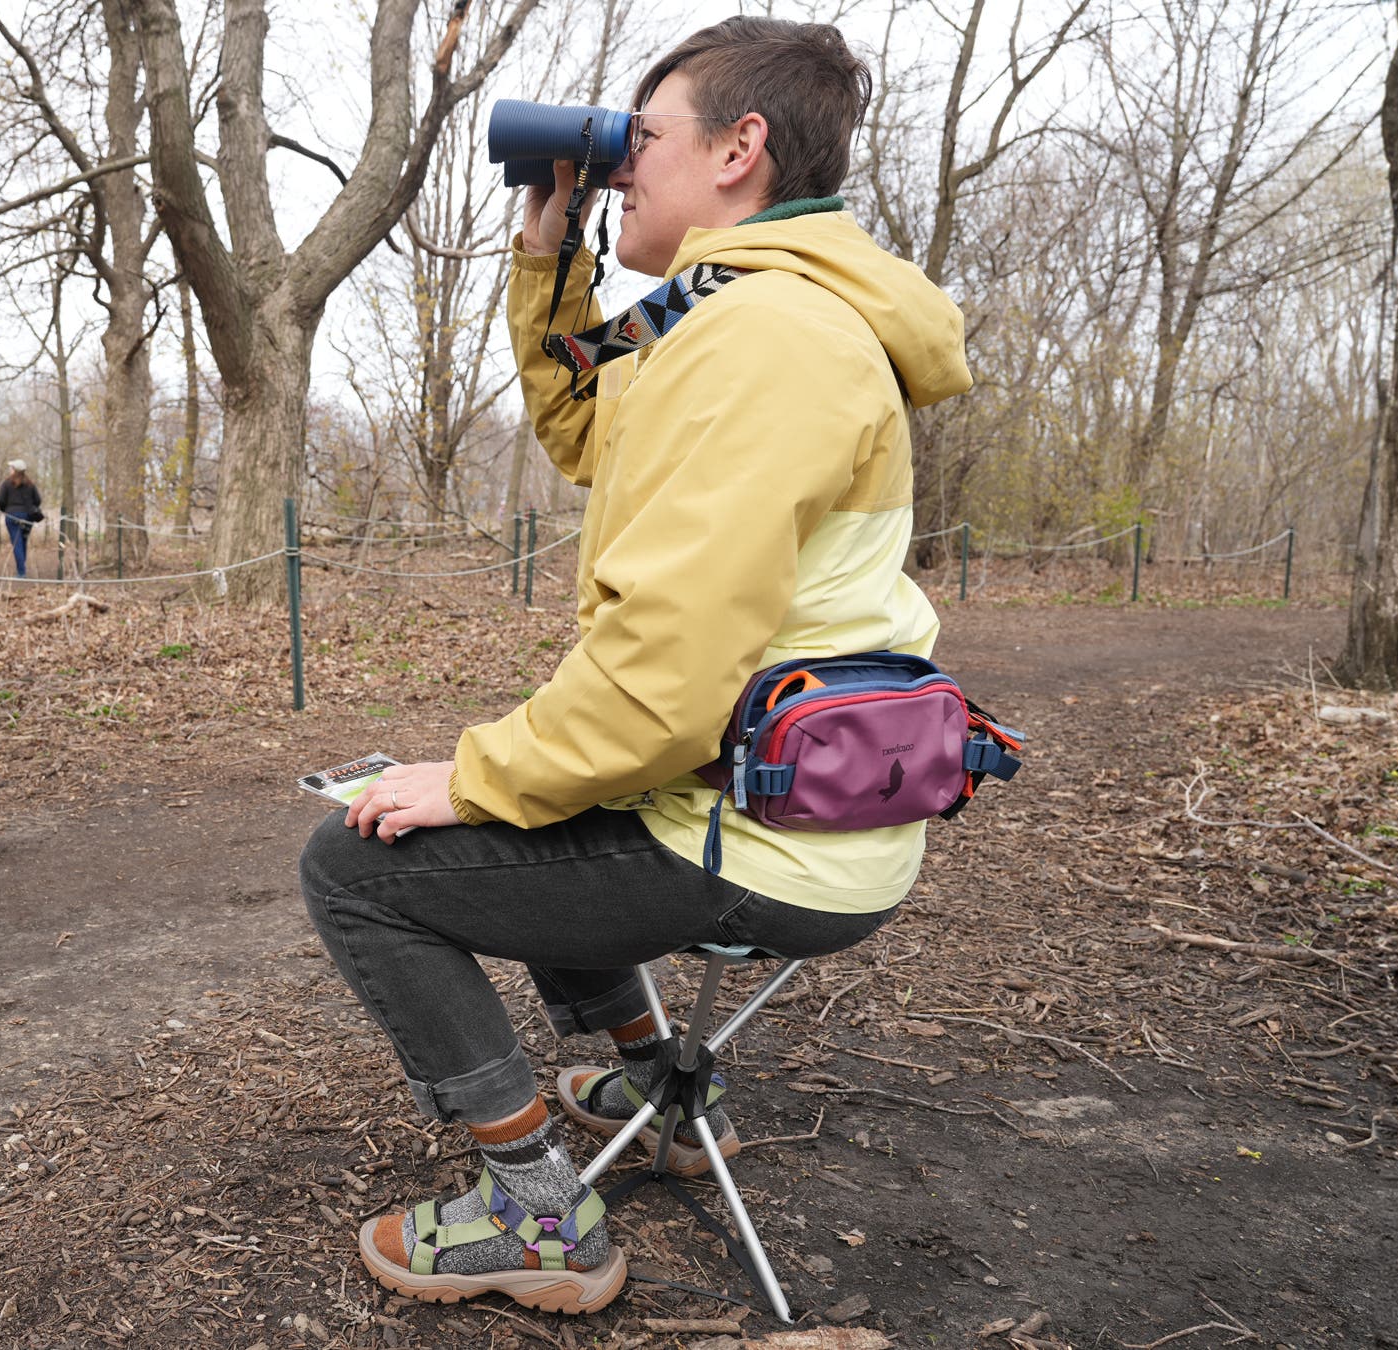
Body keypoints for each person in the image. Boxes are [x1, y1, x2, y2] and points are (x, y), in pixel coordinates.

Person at [299, 17, 972, 1315]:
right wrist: (548, 246)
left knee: (358, 867)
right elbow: (577, 411)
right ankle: (646, 1088)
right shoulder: (724, 307)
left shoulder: (765, 337)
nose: (618, 165)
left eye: (639, 139)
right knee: (564, 796)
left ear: (741, 148)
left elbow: (667, 674)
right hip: (800, 807)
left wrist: (480, 777)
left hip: (763, 837)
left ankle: (538, 1213)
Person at [0, 459, 41, 578]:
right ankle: (21, 568)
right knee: (22, 542)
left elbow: (1, 500)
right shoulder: (30, 484)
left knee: (17, 543)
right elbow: (38, 500)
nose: (10, 470)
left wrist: (6, 510)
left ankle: (21, 571)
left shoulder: (7, 484)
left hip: (12, 517)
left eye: (11, 468)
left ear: (14, 470)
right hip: (28, 517)